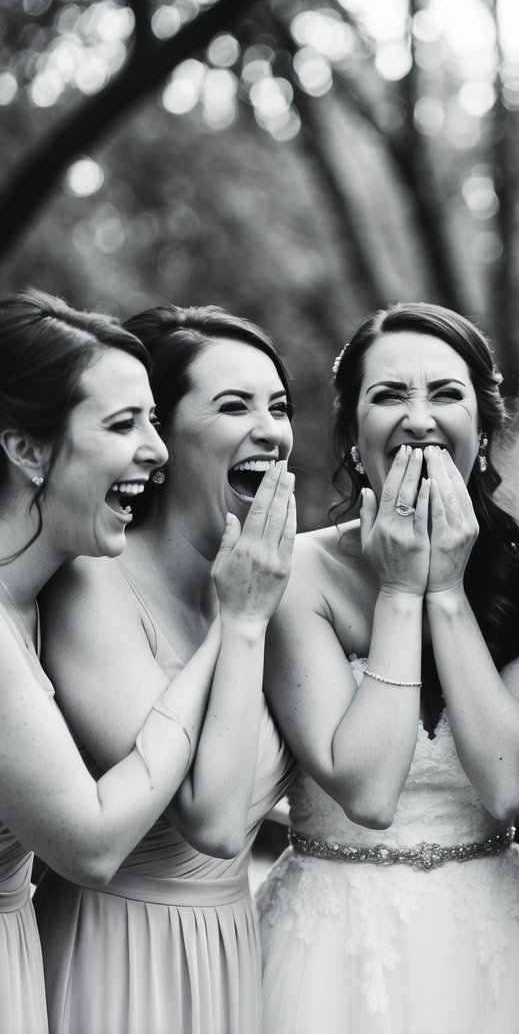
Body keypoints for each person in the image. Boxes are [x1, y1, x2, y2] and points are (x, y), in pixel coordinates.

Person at [256, 302, 519, 1034]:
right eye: (389, 394)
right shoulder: (299, 575)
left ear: (485, 432)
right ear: (353, 435)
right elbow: (365, 787)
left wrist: (448, 588)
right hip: (328, 944)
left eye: (445, 393)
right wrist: (400, 589)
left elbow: (506, 784)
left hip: (488, 942)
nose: (418, 417)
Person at [34, 305, 297, 1034]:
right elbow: (210, 821)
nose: (270, 430)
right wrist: (241, 621)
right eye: (234, 405)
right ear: (162, 434)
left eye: (278, 407)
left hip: (231, 945)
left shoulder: (268, 577)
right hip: (118, 955)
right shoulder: (91, 585)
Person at [0, 290, 224, 1034]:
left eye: (155, 421)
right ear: (27, 450)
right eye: (124, 424)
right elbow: (91, 845)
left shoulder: (39, 601)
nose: (157, 451)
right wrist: (234, 628)